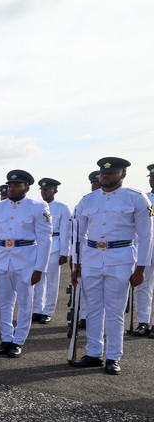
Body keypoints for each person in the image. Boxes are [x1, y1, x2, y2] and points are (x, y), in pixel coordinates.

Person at [71, 157, 153, 374]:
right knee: (94, 308)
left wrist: (141, 268)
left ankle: (114, 356)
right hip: (92, 258)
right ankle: (93, 353)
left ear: (122, 174)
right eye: (102, 173)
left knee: (115, 311)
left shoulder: (136, 198)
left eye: (110, 173)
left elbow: (146, 236)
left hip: (121, 258)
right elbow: (77, 236)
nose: (104, 176)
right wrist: (76, 264)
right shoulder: (88, 200)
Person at [0, 170, 52, 358]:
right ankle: (6, 338)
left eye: (17, 185)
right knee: (4, 302)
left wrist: (40, 268)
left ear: (27, 187)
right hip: (2, 260)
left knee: (25, 303)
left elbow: (45, 239)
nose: (12, 188)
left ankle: (18, 340)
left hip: (26, 260)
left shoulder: (38, 206)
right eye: (10, 185)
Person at [31, 178, 72, 324]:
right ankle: (36, 309)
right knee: (37, 280)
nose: (44, 192)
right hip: (37, 246)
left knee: (51, 282)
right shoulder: (35, 206)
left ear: (55, 190)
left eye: (48, 189)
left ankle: (47, 311)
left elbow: (66, 232)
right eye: (42, 190)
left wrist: (64, 252)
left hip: (55, 246)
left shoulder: (62, 208)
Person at [131, 164, 154, 337]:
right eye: (151, 177)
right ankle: (143, 322)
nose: (152, 179)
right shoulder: (143, 198)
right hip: (144, 246)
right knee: (142, 284)